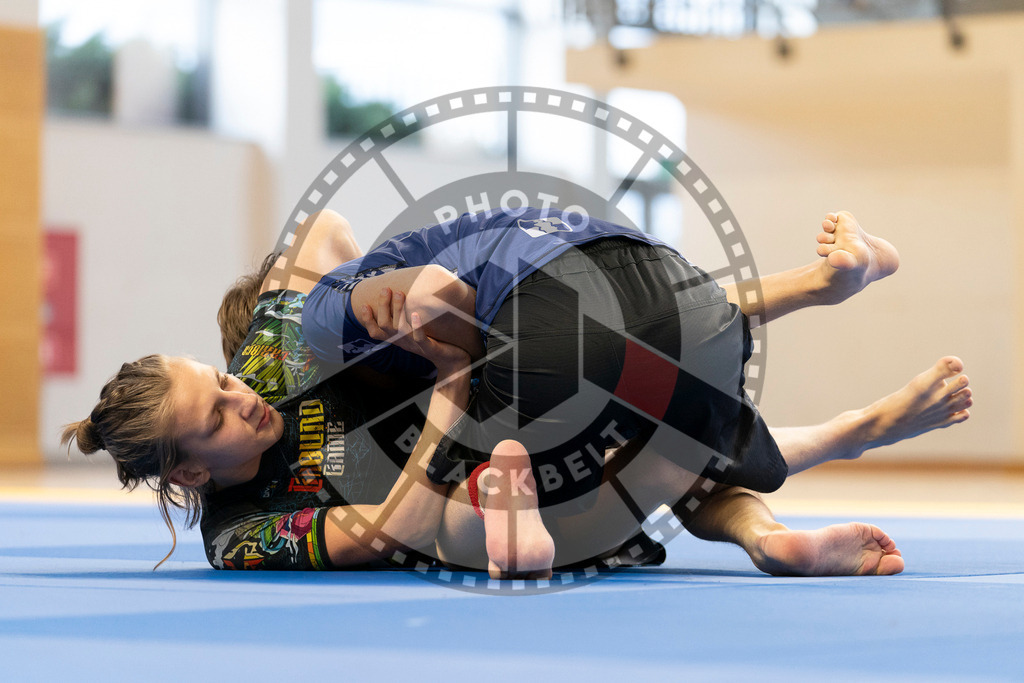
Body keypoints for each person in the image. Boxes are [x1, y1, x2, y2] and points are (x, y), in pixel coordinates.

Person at [63, 208, 971, 578]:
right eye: (217, 416)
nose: (243, 399)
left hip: (514, 398)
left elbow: (323, 229)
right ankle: (818, 468)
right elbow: (388, 532)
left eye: (221, 379)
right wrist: (448, 393)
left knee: (600, 351)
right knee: (463, 519)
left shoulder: (266, 357)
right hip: (459, 487)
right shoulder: (241, 537)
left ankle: (800, 492)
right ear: (188, 474)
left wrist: (374, 290)